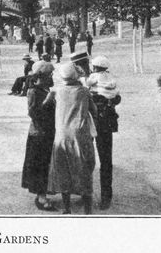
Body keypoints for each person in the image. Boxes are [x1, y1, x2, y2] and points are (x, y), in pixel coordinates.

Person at [45, 62, 96, 214]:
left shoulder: (56, 91)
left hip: (61, 135)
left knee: (63, 171)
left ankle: (67, 209)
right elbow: (94, 109)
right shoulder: (84, 91)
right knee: (85, 170)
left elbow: (44, 106)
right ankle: (88, 210)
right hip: (80, 136)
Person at [21, 61, 56, 211]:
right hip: (39, 134)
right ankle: (41, 197)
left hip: (47, 132)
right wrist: (48, 100)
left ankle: (44, 193)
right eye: (50, 74)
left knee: (45, 164)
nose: (52, 77)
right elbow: (33, 113)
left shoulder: (44, 88)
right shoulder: (34, 91)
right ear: (42, 75)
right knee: (40, 165)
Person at [87, 56, 121, 210]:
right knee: (106, 160)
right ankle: (106, 196)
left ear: (94, 67)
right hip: (107, 123)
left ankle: (85, 192)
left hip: (92, 121)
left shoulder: (92, 78)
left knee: (86, 159)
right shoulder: (111, 79)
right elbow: (117, 98)